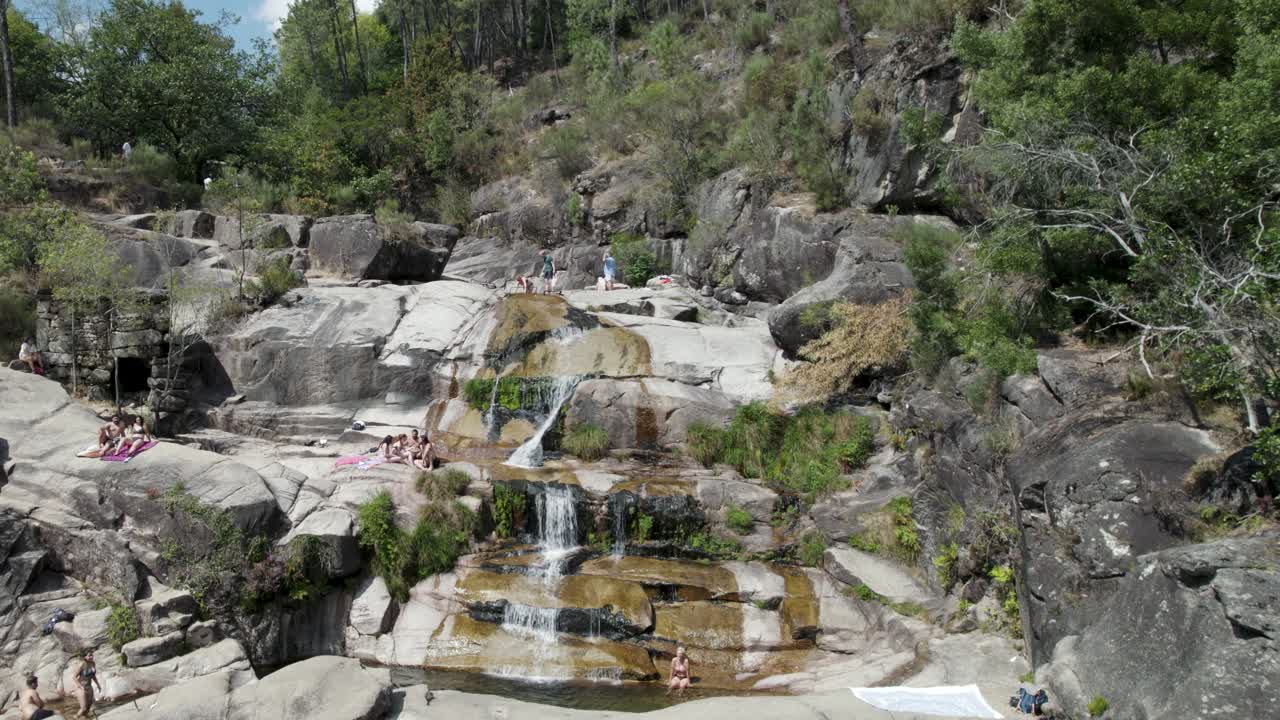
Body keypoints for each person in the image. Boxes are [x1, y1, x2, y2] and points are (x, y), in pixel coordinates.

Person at [74, 651, 100, 718]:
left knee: (89, 706)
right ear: (85, 657)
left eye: (92, 655)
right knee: (83, 708)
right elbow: (74, 677)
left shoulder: (93, 663)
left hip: (89, 687)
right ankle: (75, 717)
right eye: (89, 655)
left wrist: (98, 685)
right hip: (81, 688)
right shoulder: (81, 664)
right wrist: (80, 686)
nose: (91, 657)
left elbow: (93, 676)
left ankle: (85, 717)